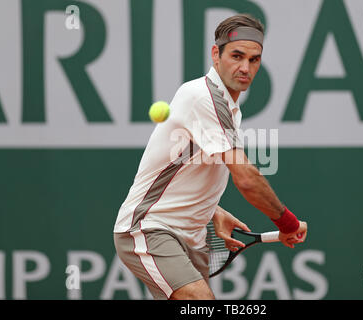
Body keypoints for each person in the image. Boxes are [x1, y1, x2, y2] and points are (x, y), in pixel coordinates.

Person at [113, 14, 308, 300]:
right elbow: (247, 179)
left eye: (254, 60)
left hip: (192, 240)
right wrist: (287, 224)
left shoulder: (229, 108)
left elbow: (183, 166)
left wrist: (212, 211)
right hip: (149, 228)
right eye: (237, 56)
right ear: (216, 54)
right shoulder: (203, 97)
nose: (245, 68)